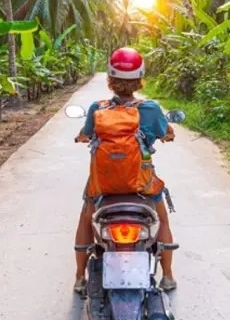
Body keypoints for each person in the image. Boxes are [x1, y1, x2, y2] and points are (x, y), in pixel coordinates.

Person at [73, 47, 177, 295]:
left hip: (103, 185)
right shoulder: (150, 109)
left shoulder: (97, 108)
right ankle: (169, 276)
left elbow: (86, 134)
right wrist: (167, 134)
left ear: (110, 79)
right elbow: (166, 133)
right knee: (161, 217)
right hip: (142, 183)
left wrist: (81, 137)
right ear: (140, 78)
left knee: (86, 217)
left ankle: (79, 277)